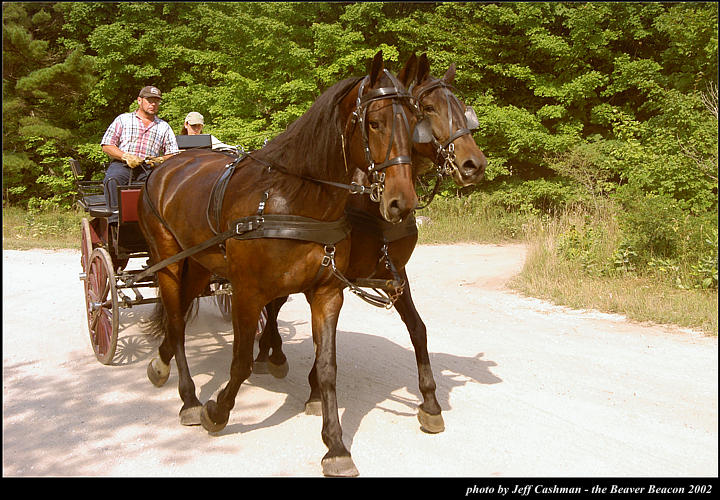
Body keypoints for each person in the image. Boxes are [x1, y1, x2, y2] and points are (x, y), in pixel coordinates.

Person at [101, 85, 179, 222]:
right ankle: (115, 220)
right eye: (149, 100)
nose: (153, 104)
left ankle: (155, 220)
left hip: (148, 167)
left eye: (156, 101)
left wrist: (160, 159)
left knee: (163, 186)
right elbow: (107, 145)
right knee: (112, 180)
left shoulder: (164, 126)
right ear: (139, 100)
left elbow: (173, 153)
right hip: (123, 165)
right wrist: (125, 156)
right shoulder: (123, 119)